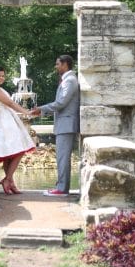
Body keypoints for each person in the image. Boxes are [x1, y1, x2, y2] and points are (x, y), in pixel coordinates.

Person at [31, 55, 80, 197]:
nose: (56, 66)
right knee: (62, 157)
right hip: (65, 124)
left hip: (66, 124)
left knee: (63, 158)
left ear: (65, 65)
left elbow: (61, 103)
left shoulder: (69, 81)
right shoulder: (68, 80)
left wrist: (41, 108)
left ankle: (62, 189)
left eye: (58, 64)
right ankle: (62, 187)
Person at [0, 65, 36, 195]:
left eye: (3, 76)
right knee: (19, 150)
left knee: (9, 153)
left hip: (7, 120)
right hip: (4, 122)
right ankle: (8, 179)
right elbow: (11, 104)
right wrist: (28, 112)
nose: (1, 78)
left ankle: (10, 181)